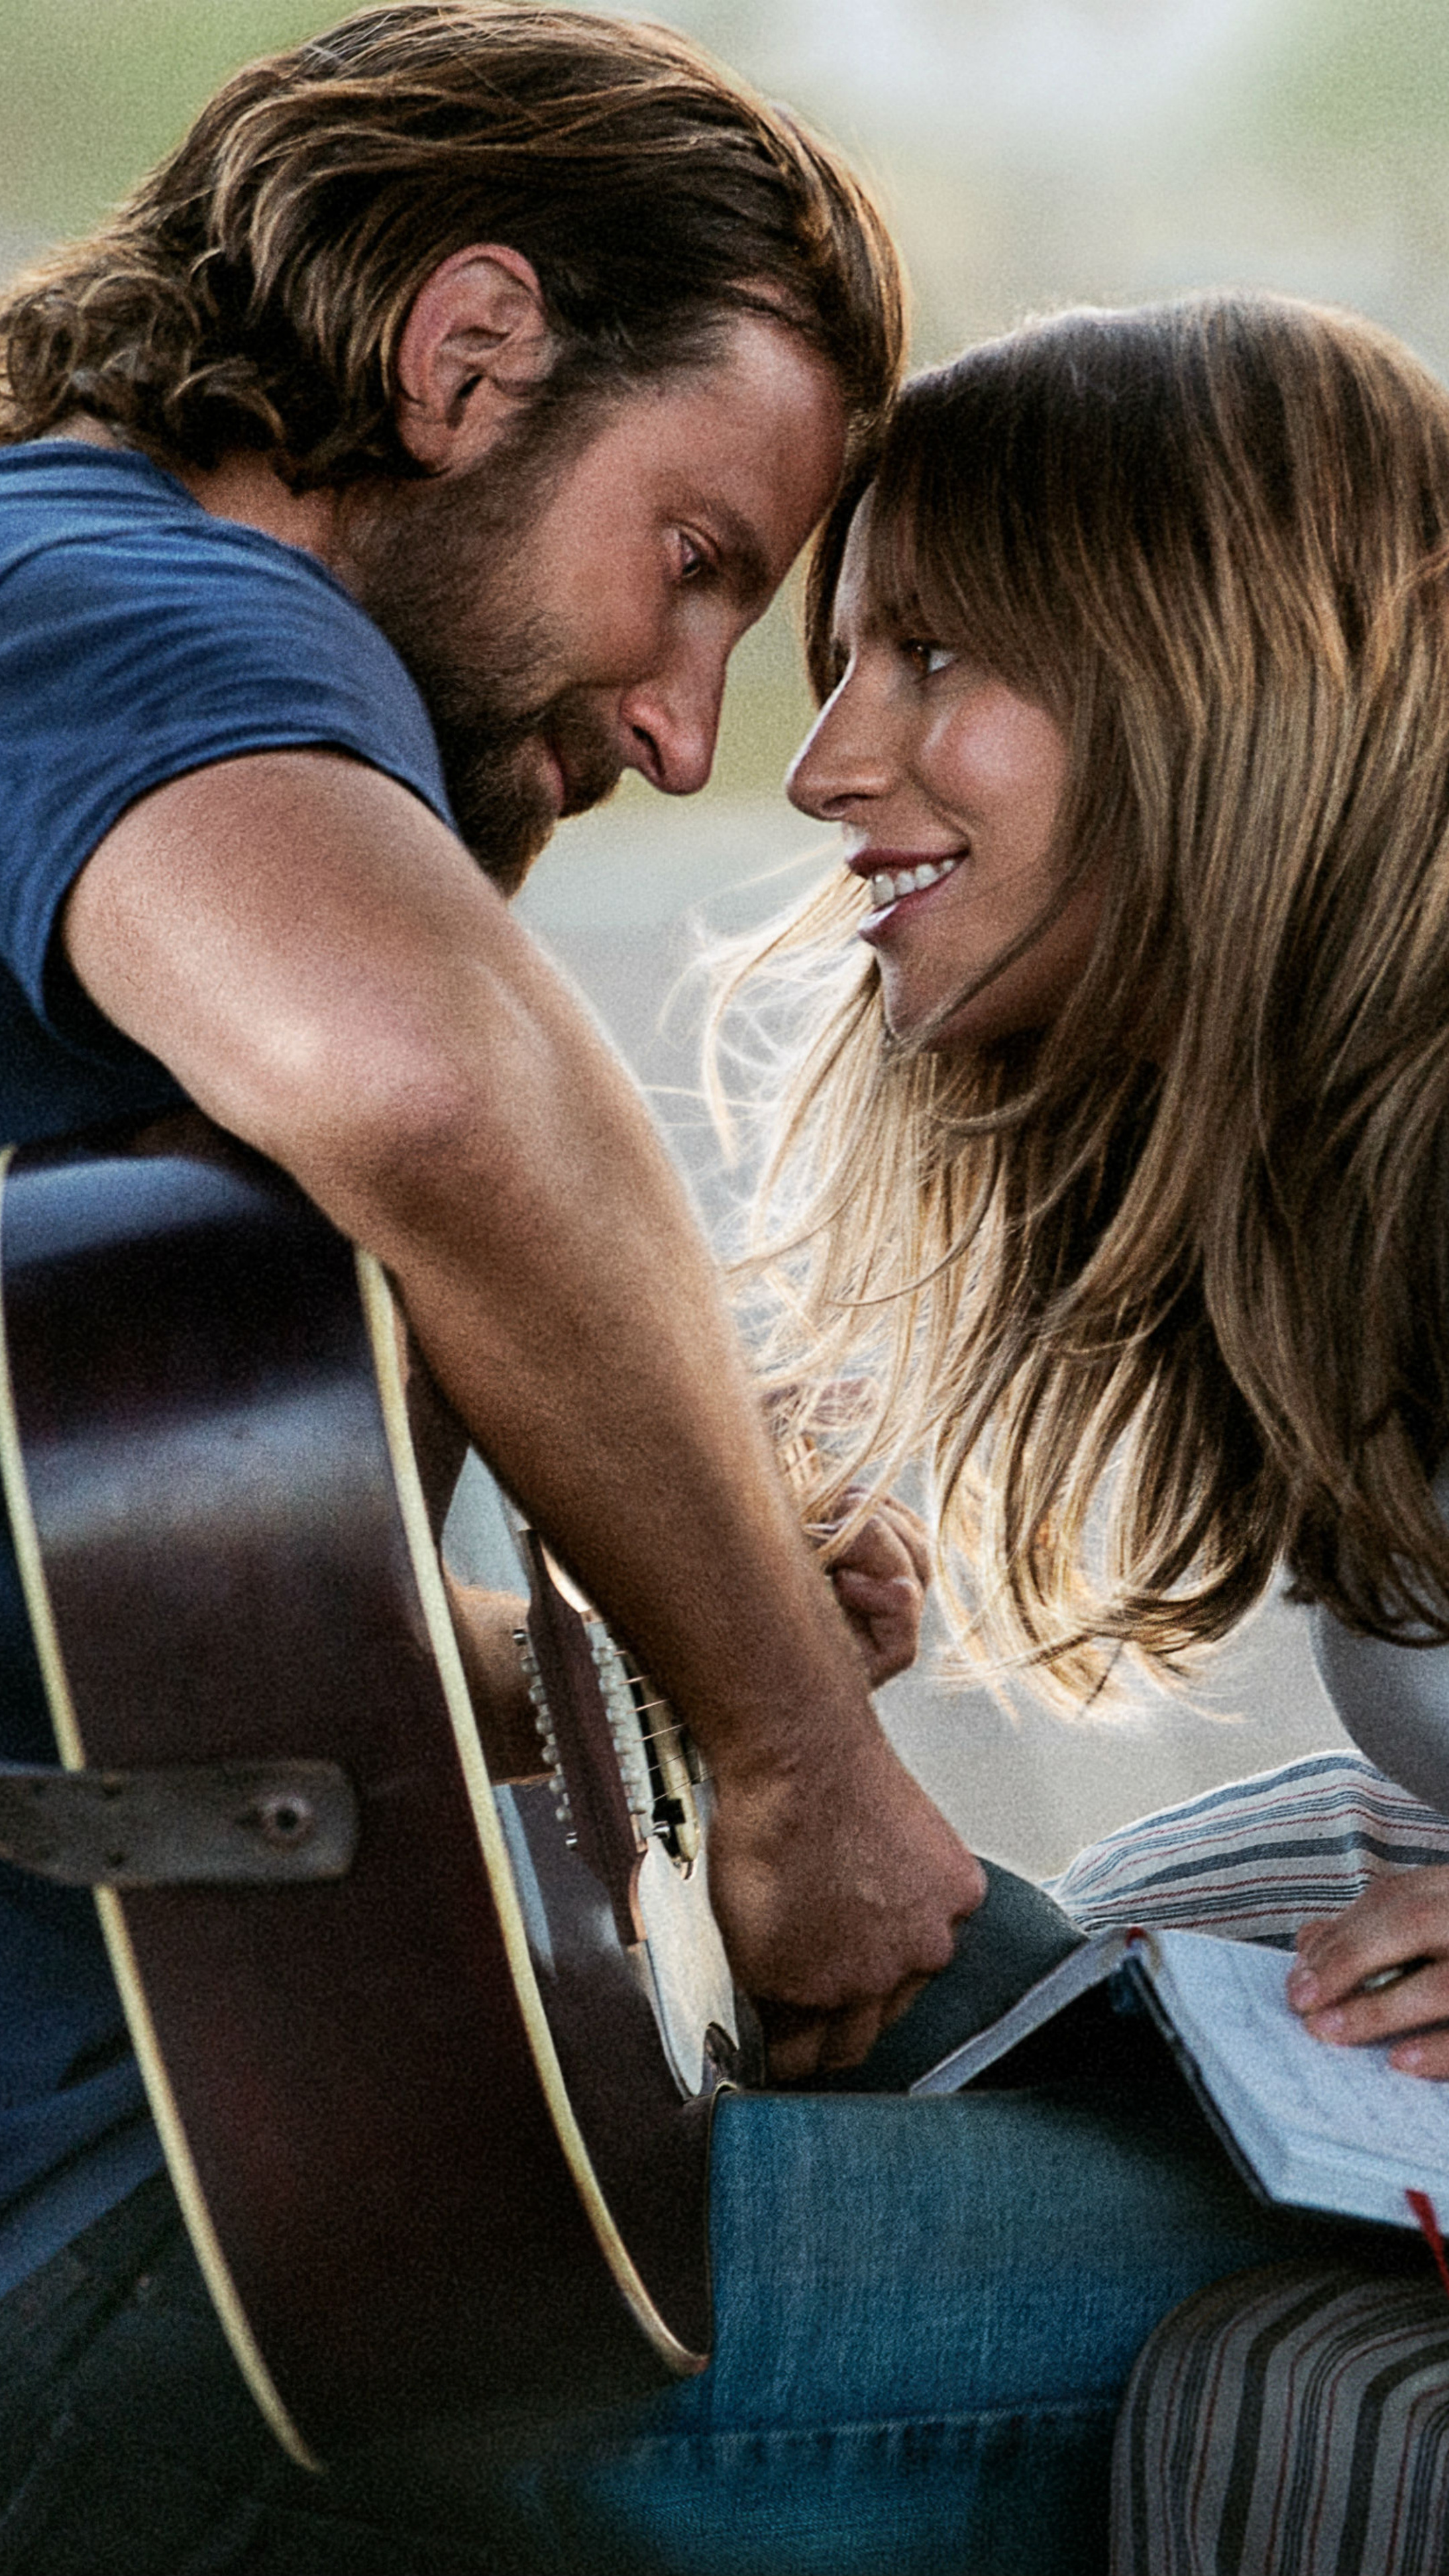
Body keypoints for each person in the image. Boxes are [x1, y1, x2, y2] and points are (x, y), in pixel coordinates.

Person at [706, 286, 1449, 2574]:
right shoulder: (1328, 1181)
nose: (827, 764)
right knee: (1086, 1949)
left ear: (1212, 683)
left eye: (929, 657)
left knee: (1285, 2400)